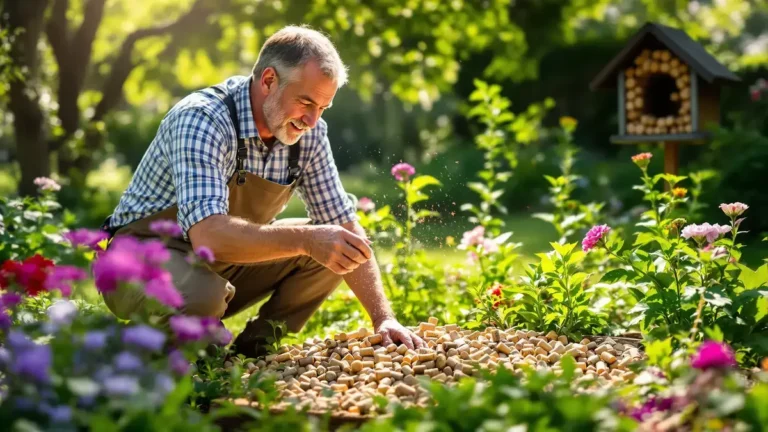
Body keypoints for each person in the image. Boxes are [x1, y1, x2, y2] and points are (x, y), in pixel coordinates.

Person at [100, 25, 424, 357]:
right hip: (142, 258)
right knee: (201, 298)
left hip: (215, 263)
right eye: (306, 102)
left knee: (336, 247)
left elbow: (343, 224)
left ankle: (254, 354)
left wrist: (384, 318)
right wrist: (306, 240)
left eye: (322, 108)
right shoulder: (203, 120)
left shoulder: (308, 134)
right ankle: (162, 365)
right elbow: (209, 236)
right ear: (268, 81)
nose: (312, 120)